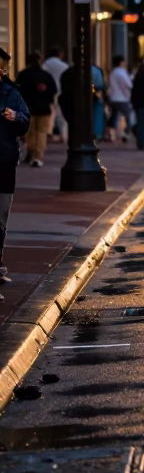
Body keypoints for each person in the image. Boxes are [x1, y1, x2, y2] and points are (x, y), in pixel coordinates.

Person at [0, 47, 31, 301]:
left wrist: (16, 117)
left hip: (4, 160)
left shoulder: (12, 93)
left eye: (5, 67)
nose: (3, 71)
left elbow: (25, 122)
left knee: (1, 217)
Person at [16, 51, 57, 167]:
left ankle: (31, 152)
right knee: (42, 133)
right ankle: (38, 157)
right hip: (44, 109)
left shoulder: (23, 75)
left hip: (27, 109)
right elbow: (53, 90)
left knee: (30, 133)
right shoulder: (45, 75)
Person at [43, 45, 68, 143]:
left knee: (50, 113)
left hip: (48, 92)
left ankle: (48, 132)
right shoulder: (64, 65)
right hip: (61, 91)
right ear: (60, 55)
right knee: (61, 115)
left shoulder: (45, 64)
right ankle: (63, 134)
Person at [107, 55, 133, 143]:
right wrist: (128, 94)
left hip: (113, 98)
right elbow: (127, 85)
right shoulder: (121, 72)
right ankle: (126, 133)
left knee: (114, 116)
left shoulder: (113, 72)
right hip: (122, 98)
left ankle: (111, 133)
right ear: (121, 62)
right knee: (128, 116)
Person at [92, 62, 107, 141]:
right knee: (97, 115)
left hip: (90, 94)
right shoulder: (97, 70)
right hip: (97, 94)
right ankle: (98, 133)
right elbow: (100, 84)